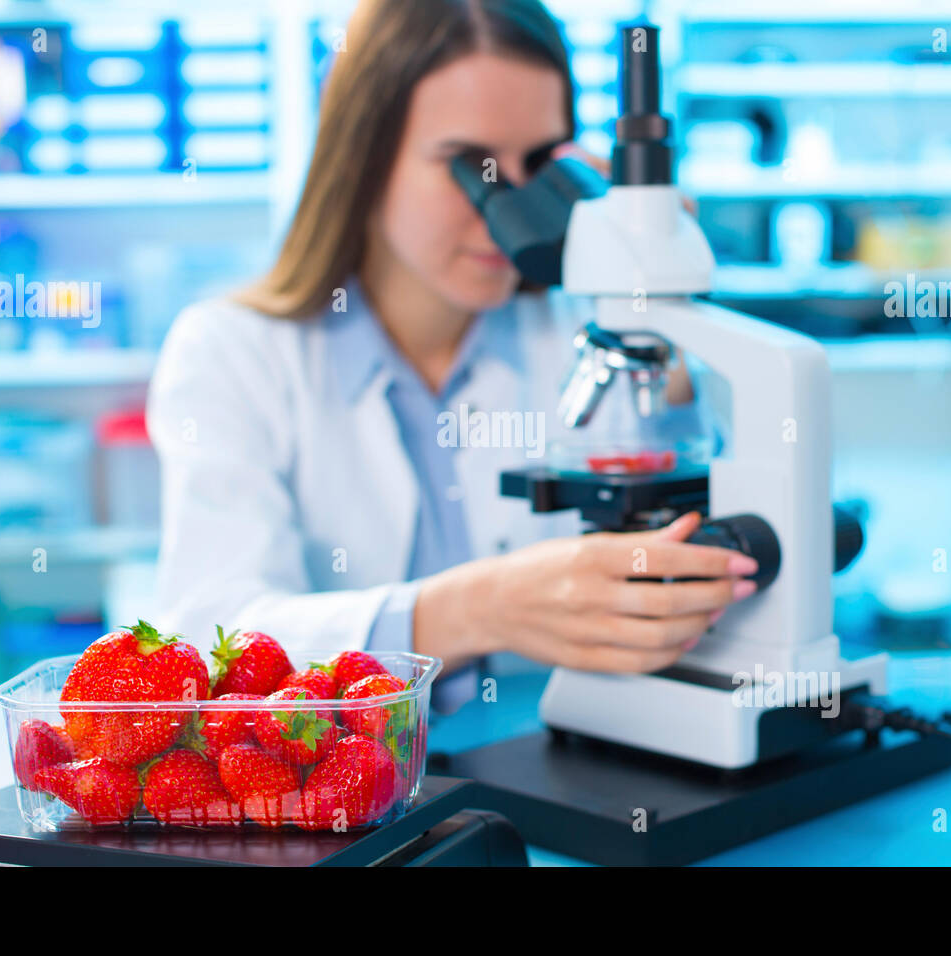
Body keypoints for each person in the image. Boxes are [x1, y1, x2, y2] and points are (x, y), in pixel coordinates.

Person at [146, 0, 758, 711]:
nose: (507, 210)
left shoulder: (593, 333)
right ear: (364, 159)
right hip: (345, 801)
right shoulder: (234, 352)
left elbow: (715, 541)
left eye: (536, 165)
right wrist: (476, 609)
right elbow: (207, 635)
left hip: (563, 758)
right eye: (473, 169)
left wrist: (661, 312)